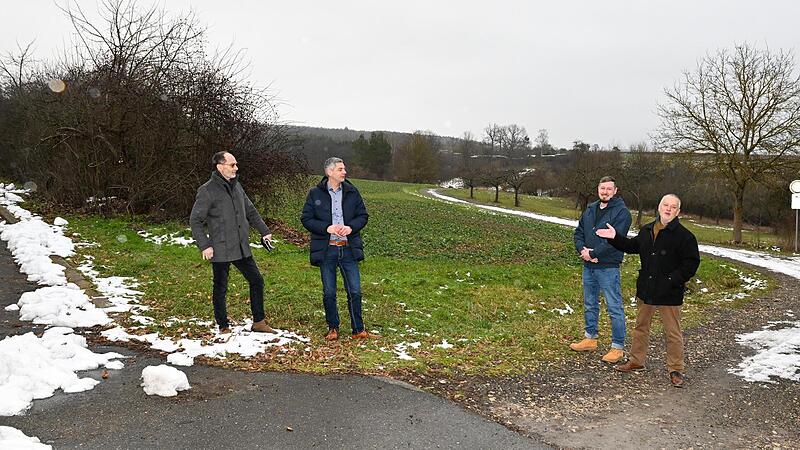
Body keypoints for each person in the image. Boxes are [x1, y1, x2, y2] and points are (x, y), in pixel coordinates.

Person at [596, 194, 700, 387]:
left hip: (669, 292)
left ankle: (676, 369)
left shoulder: (685, 236)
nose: (668, 209)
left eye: (673, 207)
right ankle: (636, 361)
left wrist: (671, 280)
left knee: (673, 333)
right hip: (647, 289)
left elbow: (691, 264)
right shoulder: (647, 230)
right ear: (659, 207)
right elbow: (631, 246)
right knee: (641, 327)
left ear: (678, 212)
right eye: (665, 205)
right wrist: (614, 238)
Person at [189, 151, 275, 334]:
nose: (236, 168)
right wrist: (205, 245)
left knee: (257, 280)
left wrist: (265, 231)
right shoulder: (207, 190)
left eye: (236, 164)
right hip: (220, 247)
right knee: (220, 287)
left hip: (241, 246)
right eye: (232, 165)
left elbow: (250, 211)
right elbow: (195, 220)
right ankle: (223, 325)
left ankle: (259, 322)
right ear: (220, 167)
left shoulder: (237, 186)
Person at [301, 157, 373, 340]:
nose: (344, 172)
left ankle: (358, 330)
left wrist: (351, 228)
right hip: (327, 250)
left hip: (348, 249)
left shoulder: (352, 192)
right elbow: (306, 219)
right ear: (329, 172)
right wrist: (327, 228)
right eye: (340, 169)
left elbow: (363, 216)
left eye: (344, 169)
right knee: (329, 292)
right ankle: (333, 328)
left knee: (355, 290)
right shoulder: (315, 194)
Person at [571, 176, 632, 363]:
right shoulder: (590, 209)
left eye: (609, 189)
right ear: (598, 189)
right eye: (602, 188)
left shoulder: (622, 213)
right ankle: (590, 338)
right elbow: (579, 232)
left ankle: (617, 347)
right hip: (589, 265)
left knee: (614, 307)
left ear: (615, 191)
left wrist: (594, 253)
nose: (605, 192)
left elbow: (616, 240)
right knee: (590, 303)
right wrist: (583, 251)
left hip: (608, 267)